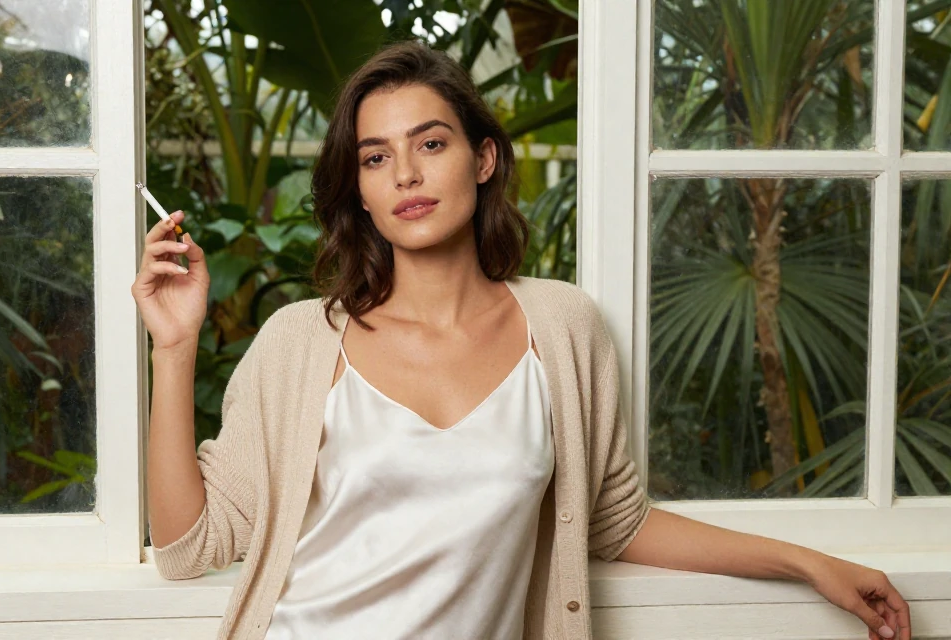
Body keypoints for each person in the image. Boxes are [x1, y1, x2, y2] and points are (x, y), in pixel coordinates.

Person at [132, 39, 911, 640]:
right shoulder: (300, 343)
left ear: (483, 158)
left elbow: (617, 520)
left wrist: (808, 562)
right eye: (376, 158)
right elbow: (188, 545)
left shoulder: (563, 329)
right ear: (360, 194)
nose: (405, 173)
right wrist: (174, 348)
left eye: (430, 144)